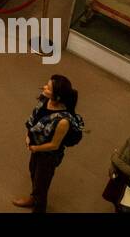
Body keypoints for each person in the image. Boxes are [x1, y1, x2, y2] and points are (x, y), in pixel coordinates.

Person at [14, 75, 84, 212]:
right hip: (36, 148)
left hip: (48, 156)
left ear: (57, 97)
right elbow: (35, 119)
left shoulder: (63, 121)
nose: (44, 87)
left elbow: (54, 145)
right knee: (33, 172)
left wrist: (35, 147)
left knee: (42, 184)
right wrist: (28, 135)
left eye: (48, 87)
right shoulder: (45, 100)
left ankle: (39, 207)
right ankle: (33, 198)